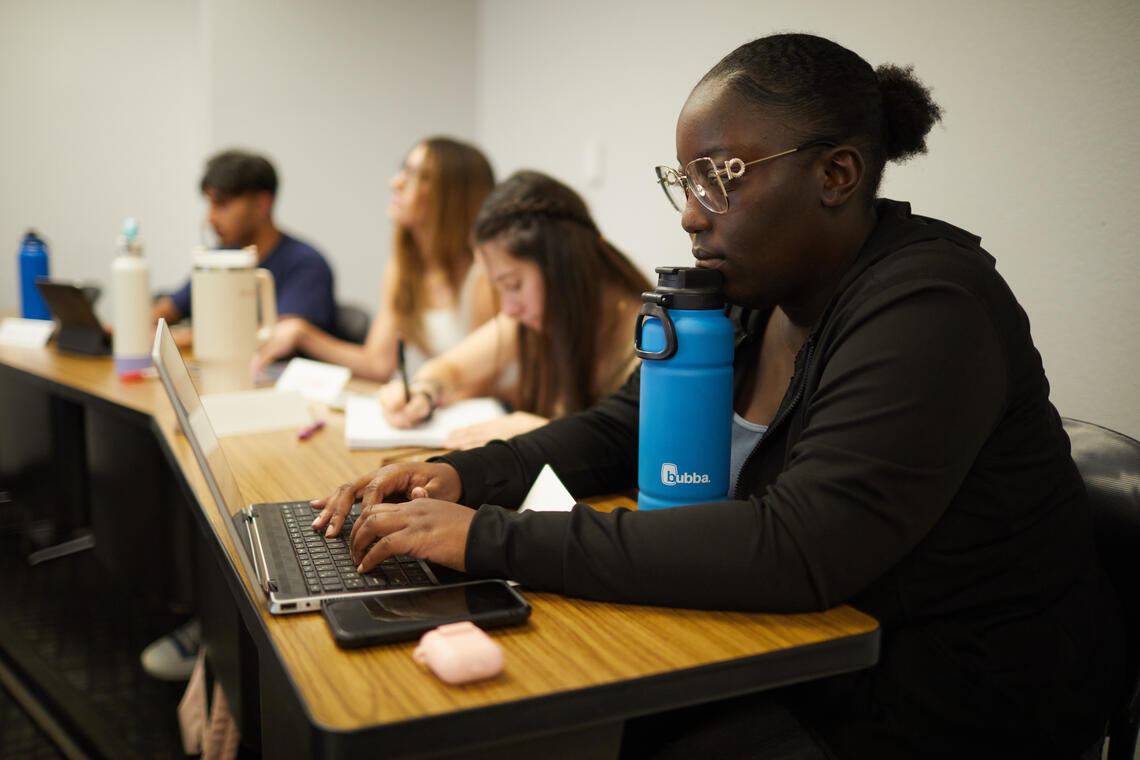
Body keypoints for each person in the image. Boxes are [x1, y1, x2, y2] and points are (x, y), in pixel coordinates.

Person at [312, 34, 1124, 758]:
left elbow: (799, 547)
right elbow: (619, 428)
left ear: (837, 173)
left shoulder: (931, 308)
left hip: (944, 704)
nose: (694, 216)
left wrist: (490, 539)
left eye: (720, 178)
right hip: (816, 660)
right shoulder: (751, 293)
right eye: (685, 182)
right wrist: (464, 476)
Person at [378, 169, 650, 450]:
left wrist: (545, 433)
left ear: (564, 267)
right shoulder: (535, 321)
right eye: (501, 289)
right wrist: (424, 392)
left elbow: (651, 453)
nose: (509, 309)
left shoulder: (649, 342)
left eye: (514, 285)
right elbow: (450, 369)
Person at [251, 137, 497, 380]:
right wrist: (301, 333)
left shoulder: (484, 275)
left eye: (414, 175)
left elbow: (479, 383)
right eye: (403, 170)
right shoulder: (403, 268)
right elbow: (378, 364)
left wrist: (423, 397)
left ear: (451, 195)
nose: (396, 182)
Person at [152, 149, 336, 346]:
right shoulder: (222, 257)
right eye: (209, 204)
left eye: (221, 204)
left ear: (261, 205)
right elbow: (168, 308)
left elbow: (282, 336)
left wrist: (189, 337)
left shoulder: (306, 264)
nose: (210, 218)